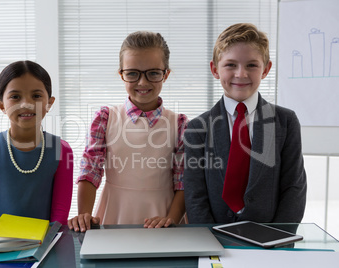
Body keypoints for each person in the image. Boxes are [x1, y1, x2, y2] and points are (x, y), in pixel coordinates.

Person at [183, 23, 307, 224]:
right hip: (214, 240)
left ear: (266, 69)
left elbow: (294, 187)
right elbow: (195, 195)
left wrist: (278, 239)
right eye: (231, 65)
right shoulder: (198, 128)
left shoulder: (285, 122)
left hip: (271, 241)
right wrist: (208, 241)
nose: (241, 74)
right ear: (215, 70)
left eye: (251, 65)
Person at [68, 31, 188, 232]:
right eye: (132, 73)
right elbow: (90, 170)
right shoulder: (105, 118)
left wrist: (171, 220)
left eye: (153, 73)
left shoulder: (179, 124)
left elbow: (183, 181)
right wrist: (83, 216)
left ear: (165, 74)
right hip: (113, 214)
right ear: (121, 73)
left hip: (164, 217)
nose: (142, 82)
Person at [0, 60, 73, 228]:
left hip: (45, 249)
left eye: (36, 96)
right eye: (15, 97)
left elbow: (58, 220)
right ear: (1, 104)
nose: (26, 103)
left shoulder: (62, 151)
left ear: (50, 103)